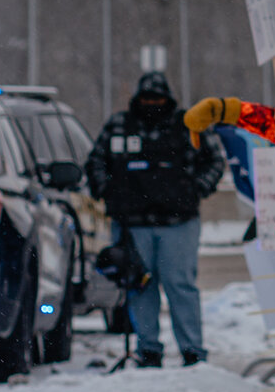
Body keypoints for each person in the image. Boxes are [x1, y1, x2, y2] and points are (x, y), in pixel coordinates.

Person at [85, 71, 225, 366]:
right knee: (139, 284)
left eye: (157, 99)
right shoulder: (120, 125)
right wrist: (107, 190)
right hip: (132, 222)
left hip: (178, 222)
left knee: (180, 284)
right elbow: (96, 160)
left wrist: (195, 189)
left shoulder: (188, 125)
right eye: (147, 99)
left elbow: (214, 160)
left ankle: (192, 350)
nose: (152, 104)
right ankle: (148, 348)